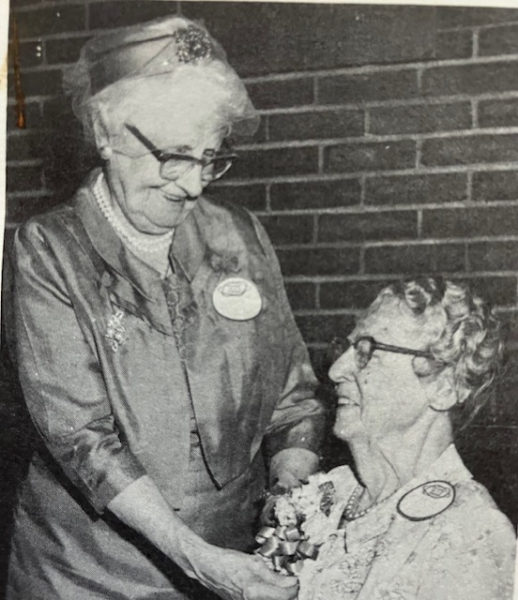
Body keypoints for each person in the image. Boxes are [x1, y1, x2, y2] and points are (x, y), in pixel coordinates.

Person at [6, 15, 325, 600]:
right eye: (173, 156)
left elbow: (293, 396)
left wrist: (289, 490)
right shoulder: (48, 251)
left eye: (210, 157)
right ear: (106, 133)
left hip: (234, 565)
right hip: (88, 576)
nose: (195, 184)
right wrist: (202, 561)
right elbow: (85, 440)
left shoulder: (239, 236)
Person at [293, 278, 516, 600]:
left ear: (444, 387)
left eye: (368, 352)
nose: (336, 370)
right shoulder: (331, 494)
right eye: (347, 348)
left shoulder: (470, 534)